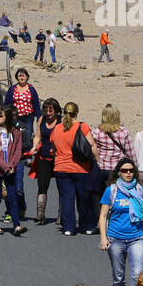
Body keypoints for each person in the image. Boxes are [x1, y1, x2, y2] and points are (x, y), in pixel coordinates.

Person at [99, 158, 143, 286]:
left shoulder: (139, 189)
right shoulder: (111, 190)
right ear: (118, 172)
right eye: (125, 170)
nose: (128, 173)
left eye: (131, 170)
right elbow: (103, 216)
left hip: (137, 237)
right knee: (118, 276)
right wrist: (104, 238)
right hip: (116, 238)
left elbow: (142, 213)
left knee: (137, 274)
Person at [50, 101, 100, 237]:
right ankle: (87, 225)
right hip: (81, 168)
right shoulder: (82, 126)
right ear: (76, 113)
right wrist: (97, 160)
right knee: (84, 198)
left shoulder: (58, 128)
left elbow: (53, 148)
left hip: (61, 167)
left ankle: (68, 227)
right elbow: (92, 145)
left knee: (66, 199)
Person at [0, 105, 25, 236]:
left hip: (11, 170)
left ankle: (17, 225)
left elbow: (18, 151)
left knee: (12, 197)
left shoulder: (16, 133)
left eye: (0, 116)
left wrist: (12, 165)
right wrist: (5, 166)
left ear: (7, 118)